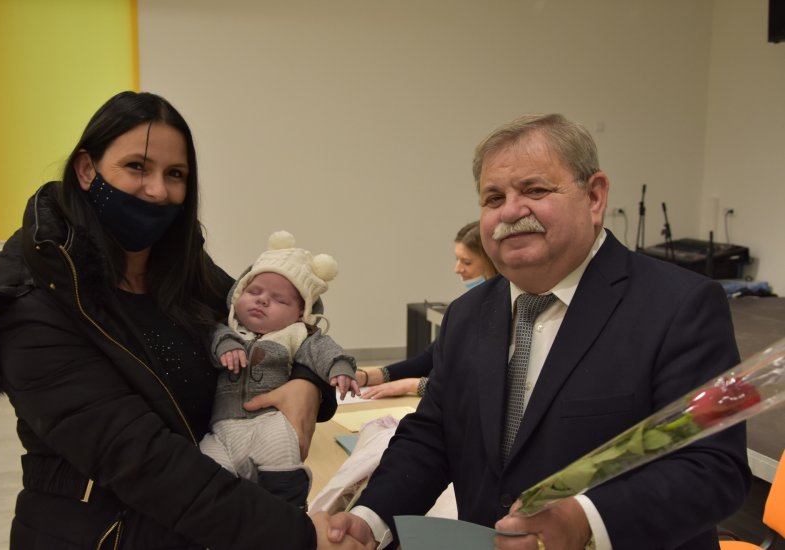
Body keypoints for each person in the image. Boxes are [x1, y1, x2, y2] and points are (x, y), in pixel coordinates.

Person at [324, 113, 751, 549]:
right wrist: (369, 518)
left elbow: (714, 467)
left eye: (535, 190)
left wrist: (587, 520)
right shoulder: (468, 315)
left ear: (595, 196)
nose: (510, 210)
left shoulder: (681, 306)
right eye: (493, 198)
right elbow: (434, 435)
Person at [0, 91, 365, 549]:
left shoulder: (182, 268)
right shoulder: (33, 302)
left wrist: (308, 382)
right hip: (100, 534)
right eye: (137, 166)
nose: (158, 190)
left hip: (200, 523)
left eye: (175, 174)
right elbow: (141, 460)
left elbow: (280, 319)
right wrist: (296, 536)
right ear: (87, 169)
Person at [200, 230, 359, 509]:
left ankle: (288, 510)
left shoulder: (295, 334)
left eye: (279, 300)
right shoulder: (227, 328)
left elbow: (323, 350)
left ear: (300, 313)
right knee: (206, 467)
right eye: (253, 291)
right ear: (237, 294)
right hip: (222, 427)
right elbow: (212, 336)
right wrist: (225, 346)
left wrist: (340, 367)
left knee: (282, 452)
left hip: (268, 422)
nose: (262, 300)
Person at [359, 221, 497, 399]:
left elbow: (477, 389)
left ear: (492, 263)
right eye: (457, 259)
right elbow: (428, 360)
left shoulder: (502, 315)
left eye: (467, 262)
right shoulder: (466, 308)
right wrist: (367, 376)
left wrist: (414, 385)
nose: (457, 269)